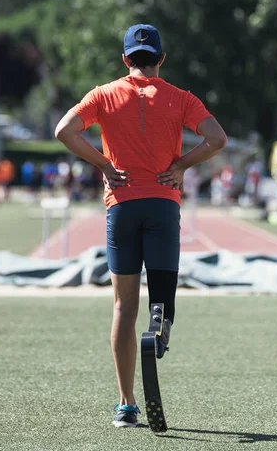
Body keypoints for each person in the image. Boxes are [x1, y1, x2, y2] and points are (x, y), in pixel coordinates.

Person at [55, 24, 227, 427]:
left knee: (122, 306)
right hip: (163, 204)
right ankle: (161, 322)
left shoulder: (103, 94)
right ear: (162, 59)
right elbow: (217, 139)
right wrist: (181, 165)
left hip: (122, 205)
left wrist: (102, 165)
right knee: (161, 296)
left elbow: (64, 131)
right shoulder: (181, 98)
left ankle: (126, 405)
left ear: (125, 59)